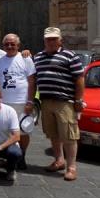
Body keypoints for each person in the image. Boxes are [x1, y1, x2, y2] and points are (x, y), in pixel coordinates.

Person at [33, 27, 85, 181]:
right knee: (53, 134)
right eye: (48, 39)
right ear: (44, 40)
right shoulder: (38, 57)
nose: (51, 41)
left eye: (54, 39)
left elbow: (80, 79)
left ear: (60, 40)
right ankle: (59, 160)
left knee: (69, 136)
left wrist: (78, 100)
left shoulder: (70, 56)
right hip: (46, 101)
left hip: (65, 102)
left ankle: (72, 167)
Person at [0, 33, 36, 170]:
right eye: (7, 44)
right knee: (6, 131)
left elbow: (31, 81)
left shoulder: (26, 59)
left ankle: (21, 157)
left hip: (21, 102)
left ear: (18, 45)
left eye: (12, 44)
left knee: (23, 131)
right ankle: (9, 156)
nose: (10, 46)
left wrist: (30, 101)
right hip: (4, 103)